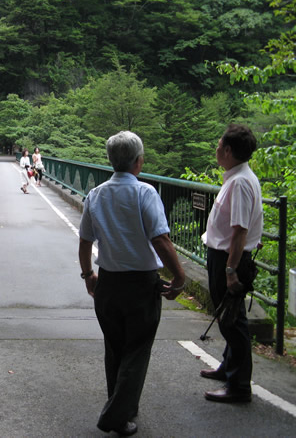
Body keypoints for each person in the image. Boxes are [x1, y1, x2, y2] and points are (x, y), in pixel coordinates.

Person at [78, 131, 185, 436]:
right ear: (139, 161)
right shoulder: (145, 193)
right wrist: (179, 275)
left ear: (111, 161)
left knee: (115, 349)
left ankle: (123, 409)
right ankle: (116, 414)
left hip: (108, 285)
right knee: (137, 350)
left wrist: (89, 276)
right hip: (140, 285)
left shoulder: (96, 194)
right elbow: (161, 239)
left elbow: (85, 241)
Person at [200, 124, 263, 403]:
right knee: (228, 317)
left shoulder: (238, 182)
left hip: (228, 259)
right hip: (227, 256)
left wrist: (230, 269)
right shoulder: (240, 177)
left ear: (227, 149)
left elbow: (239, 231)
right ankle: (228, 368)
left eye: (218, 144)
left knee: (232, 322)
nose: (216, 149)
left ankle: (239, 386)